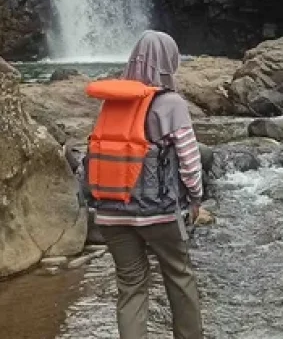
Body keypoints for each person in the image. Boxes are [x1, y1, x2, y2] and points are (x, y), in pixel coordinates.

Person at [82, 30, 205, 339]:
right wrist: (196, 198)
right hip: (159, 212)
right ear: (169, 62)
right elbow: (189, 161)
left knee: (131, 285)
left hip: (110, 212)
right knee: (179, 277)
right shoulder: (171, 103)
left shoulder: (111, 101)